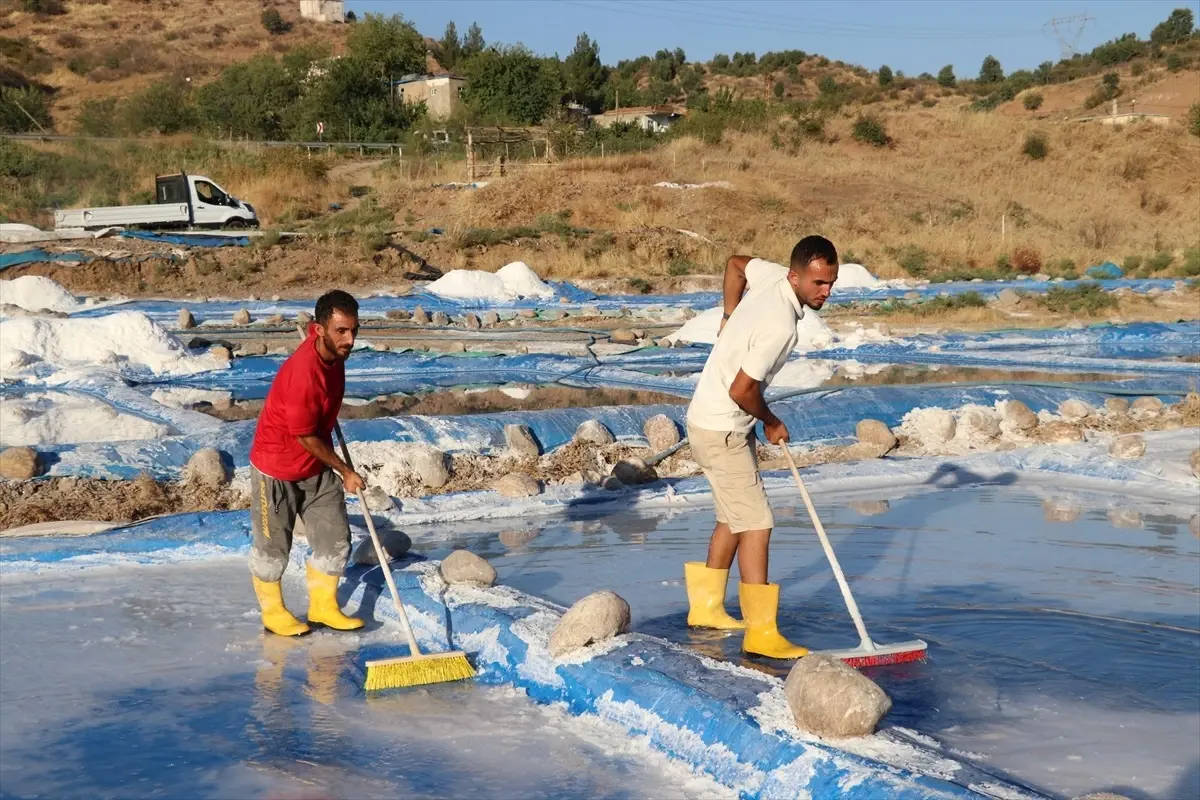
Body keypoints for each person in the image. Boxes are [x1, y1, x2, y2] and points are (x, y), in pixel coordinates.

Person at [683, 235, 839, 659]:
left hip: (708, 420)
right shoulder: (780, 325)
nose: (825, 292)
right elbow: (742, 389)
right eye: (818, 283)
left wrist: (728, 315)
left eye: (830, 283)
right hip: (724, 427)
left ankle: (708, 608)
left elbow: (735, 263)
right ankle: (762, 634)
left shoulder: (771, 278)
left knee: (733, 517)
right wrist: (771, 421)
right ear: (796, 275)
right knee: (757, 523)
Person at [247, 289, 368, 637]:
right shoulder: (304, 374)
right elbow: (305, 435)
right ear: (319, 330)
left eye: (354, 330)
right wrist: (345, 470)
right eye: (341, 331)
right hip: (278, 468)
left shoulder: (335, 359)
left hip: (314, 466)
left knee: (335, 538)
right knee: (273, 550)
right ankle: (273, 613)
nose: (350, 339)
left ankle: (324, 606)